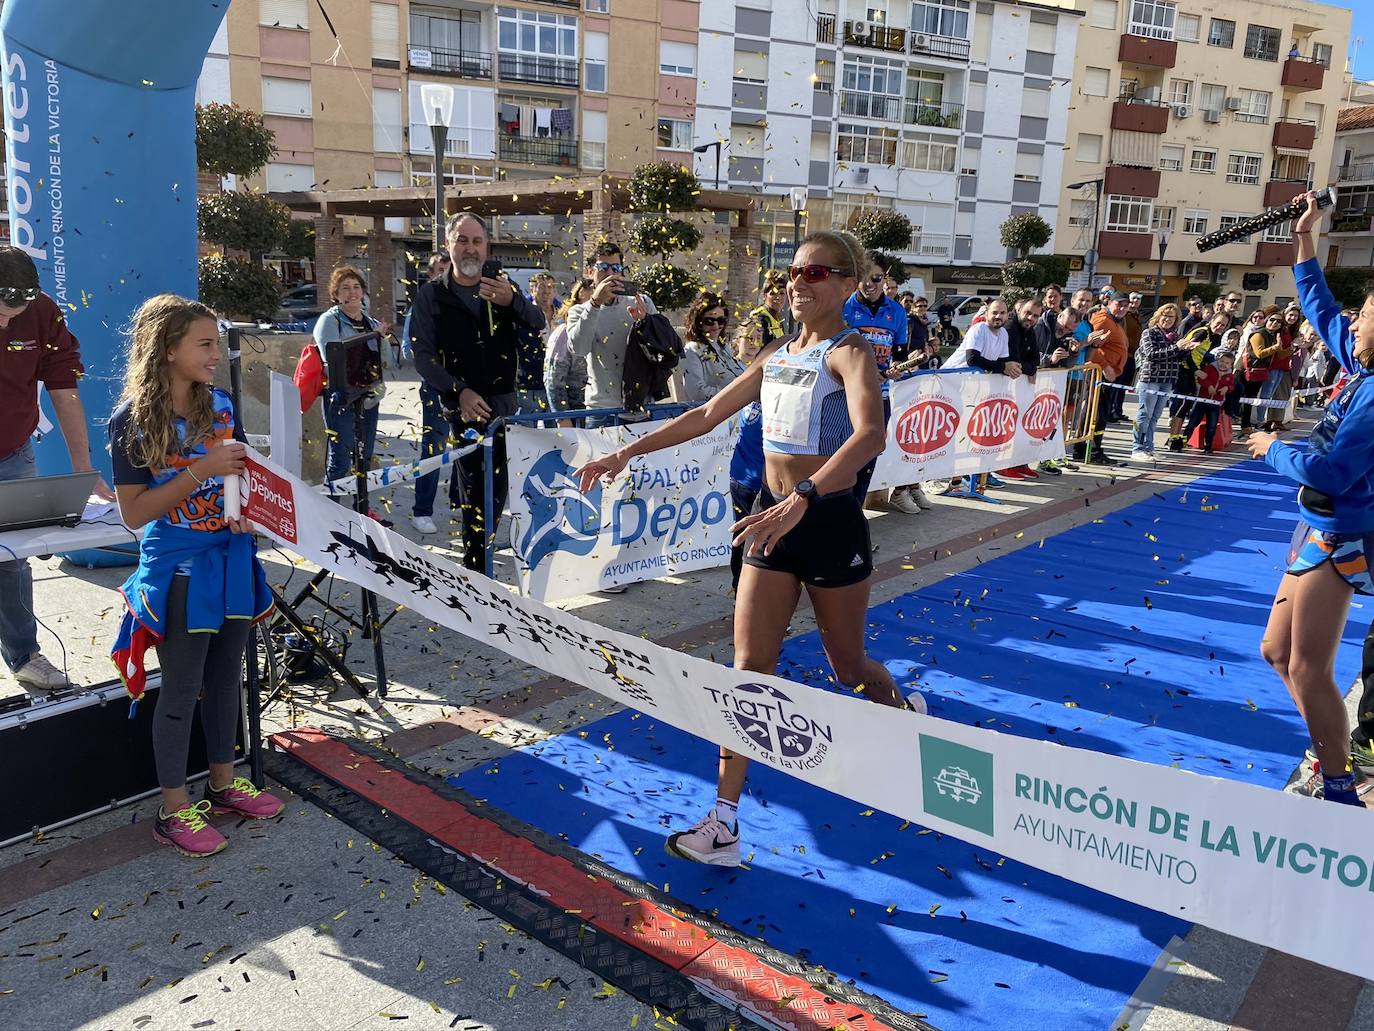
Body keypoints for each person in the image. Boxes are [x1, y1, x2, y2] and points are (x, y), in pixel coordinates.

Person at [574, 230, 918, 866]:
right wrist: (625, 451)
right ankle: (725, 822)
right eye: (793, 272)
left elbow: (870, 434)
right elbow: (704, 415)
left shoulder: (851, 354)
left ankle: (901, 711)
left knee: (849, 669)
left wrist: (807, 496)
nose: (798, 282)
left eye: (816, 273)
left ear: (846, 284)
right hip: (768, 521)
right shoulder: (779, 355)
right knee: (748, 671)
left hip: (826, 521)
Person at [108, 294, 281, 858]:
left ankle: (225, 784)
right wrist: (201, 470)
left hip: (231, 557)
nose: (216, 353)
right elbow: (134, 513)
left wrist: (256, 503)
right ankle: (175, 809)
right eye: (204, 344)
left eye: (216, 343)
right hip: (179, 568)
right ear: (168, 349)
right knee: (181, 688)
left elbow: (240, 474)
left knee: (227, 677)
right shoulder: (131, 421)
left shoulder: (223, 405)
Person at [1248, 190, 1374, 806]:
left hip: (1343, 534)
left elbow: (1331, 470)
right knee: (1276, 651)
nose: (1353, 320)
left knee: (1307, 667)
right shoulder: (1363, 367)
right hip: (1315, 527)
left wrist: (1270, 446)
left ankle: (1340, 783)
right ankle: (1332, 746)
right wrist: (1304, 239)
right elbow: (1322, 312)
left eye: (1366, 312)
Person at [0, 246, 113, 693]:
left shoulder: (44, 313)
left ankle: (24, 655)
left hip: (12, 451)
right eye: (1, 311)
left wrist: (83, 469)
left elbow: (64, 387)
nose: (8, 322)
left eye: (16, 312)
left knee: (13, 556)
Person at [410, 213, 546, 572]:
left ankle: (480, 564)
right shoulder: (431, 296)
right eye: (462, 240)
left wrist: (513, 302)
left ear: (487, 246)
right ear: (448, 245)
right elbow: (421, 356)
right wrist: (460, 392)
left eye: (477, 241)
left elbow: (538, 323)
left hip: (505, 409)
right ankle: (477, 577)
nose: (470, 248)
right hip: (463, 412)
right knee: (475, 497)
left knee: (496, 496)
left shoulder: (503, 288)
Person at [844, 253, 915, 511]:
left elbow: (899, 354)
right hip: (844, 396)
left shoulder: (896, 312)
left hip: (880, 397)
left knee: (867, 460)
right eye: (864, 277)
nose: (869, 284)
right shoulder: (845, 307)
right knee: (840, 459)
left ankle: (853, 518)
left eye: (875, 278)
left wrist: (898, 368)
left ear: (884, 278)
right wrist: (858, 371)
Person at [313, 266, 389, 502]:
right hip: (342, 398)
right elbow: (333, 358)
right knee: (340, 460)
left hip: (369, 398)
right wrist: (372, 336)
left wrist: (380, 338)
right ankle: (329, 516)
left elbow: (386, 361)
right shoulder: (329, 321)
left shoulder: (370, 321)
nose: (352, 292)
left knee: (364, 458)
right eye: (345, 288)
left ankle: (362, 511)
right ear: (336, 294)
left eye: (356, 287)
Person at [566, 243, 658, 426]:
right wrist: (595, 304)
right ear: (590, 271)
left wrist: (645, 322)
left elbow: (664, 349)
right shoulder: (579, 311)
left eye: (615, 268)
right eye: (603, 268)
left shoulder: (642, 302)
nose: (609, 275)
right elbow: (579, 348)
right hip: (602, 411)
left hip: (641, 407)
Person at [943, 296, 1019, 498]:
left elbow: (1002, 360)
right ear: (986, 314)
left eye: (1002, 313)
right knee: (950, 433)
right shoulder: (978, 330)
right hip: (950, 383)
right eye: (994, 312)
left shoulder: (1003, 333)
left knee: (966, 435)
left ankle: (958, 479)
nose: (998, 316)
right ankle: (940, 478)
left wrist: (1010, 367)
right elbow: (972, 358)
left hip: (971, 388)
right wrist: (1004, 366)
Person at [406, 253, 452, 535]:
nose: (443, 275)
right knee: (434, 449)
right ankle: (421, 511)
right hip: (435, 389)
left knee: (467, 446)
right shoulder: (422, 305)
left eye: (447, 270)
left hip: (465, 389)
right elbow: (409, 349)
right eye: (439, 271)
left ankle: (464, 504)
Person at [1165, 311, 1231, 450]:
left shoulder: (1211, 336)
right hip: (1183, 369)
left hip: (1190, 371)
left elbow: (1199, 354)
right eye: (1218, 323)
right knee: (1182, 403)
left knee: (1186, 404)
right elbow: (1186, 351)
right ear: (1211, 321)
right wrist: (1196, 370)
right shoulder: (1202, 333)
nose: (1219, 327)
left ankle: (1176, 437)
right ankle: (1173, 437)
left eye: (1223, 325)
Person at [1129, 303, 1187, 462]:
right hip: (1150, 379)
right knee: (1144, 414)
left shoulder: (1175, 336)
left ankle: (1149, 447)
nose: (1167, 319)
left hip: (1167, 380)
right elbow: (1151, 354)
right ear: (1158, 316)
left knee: (1155, 416)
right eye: (1165, 315)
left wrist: (1186, 350)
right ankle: (1137, 447)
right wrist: (1176, 348)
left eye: (1171, 317)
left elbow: (1177, 358)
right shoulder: (1149, 333)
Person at [1078, 292, 1130, 465]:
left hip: (1110, 374)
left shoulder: (1115, 321)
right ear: (1110, 302)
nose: (1122, 308)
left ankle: (1094, 448)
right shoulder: (1103, 319)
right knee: (1096, 412)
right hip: (1099, 373)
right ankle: (1088, 449)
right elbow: (1092, 346)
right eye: (1119, 304)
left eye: (1125, 305)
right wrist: (1106, 366)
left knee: (1102, 412)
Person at [999, 297, 1044, 480]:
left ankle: (1019, 462)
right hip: (1002, 385)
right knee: (1005, 426)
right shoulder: (1010, 328)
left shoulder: (1030, 330)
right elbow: (1014, 361)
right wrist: (1028, 367)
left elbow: (1035, 361)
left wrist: (1028, 367)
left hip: (1018, 386)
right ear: (1019, 311)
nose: (1030, 318)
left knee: (1020, 425)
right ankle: (1002, 464)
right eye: (1028, 313)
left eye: (1035, 316)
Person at [678, 292, 745, 403]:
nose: (716, 326)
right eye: (709, 321)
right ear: (698, 321)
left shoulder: (725, 347)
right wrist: (735, 394)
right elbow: (697, 393)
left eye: (721, 320)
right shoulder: (692, 350)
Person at [543, 281, 591, 422]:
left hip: (599, 413)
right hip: (575, 416)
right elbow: (553, 381)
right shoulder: (563, 334)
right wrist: (563, 419)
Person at [1241, 306, 1284, 436]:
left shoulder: (1273, 335)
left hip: (1260, 371)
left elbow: (1280, 355)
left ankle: (1246, 425)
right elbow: (1259, 353)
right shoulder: (1259, 334)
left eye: (1278, 321)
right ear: (1267, 320)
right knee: (1245, 398)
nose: (1275, 323)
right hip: (1247, 370)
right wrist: (1276, 347)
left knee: (1251, 398)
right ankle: (1244, 424)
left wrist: (1292, 348)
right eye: (1272, 320)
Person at [1185, 350, 1235, 452]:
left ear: (1231, 365)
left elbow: (1232, 386)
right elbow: (1201, 378)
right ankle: (1183, 441)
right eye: (1222, 361)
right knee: (1193, 423)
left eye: (1227, 363)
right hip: (1202, 401)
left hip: (1216, 405)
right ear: (1218, 360)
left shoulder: (1230, 375)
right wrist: (1209, 386)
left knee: (1212, 426)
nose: (1223, 364)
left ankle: (1208, 446)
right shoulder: (1210, 368)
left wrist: (1226, 388)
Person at [736, 271, 787, 364]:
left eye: (782, 293)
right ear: (764, 296)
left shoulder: (776, 319)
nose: (778, 297)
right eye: (773, 293)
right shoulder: (761, 318)